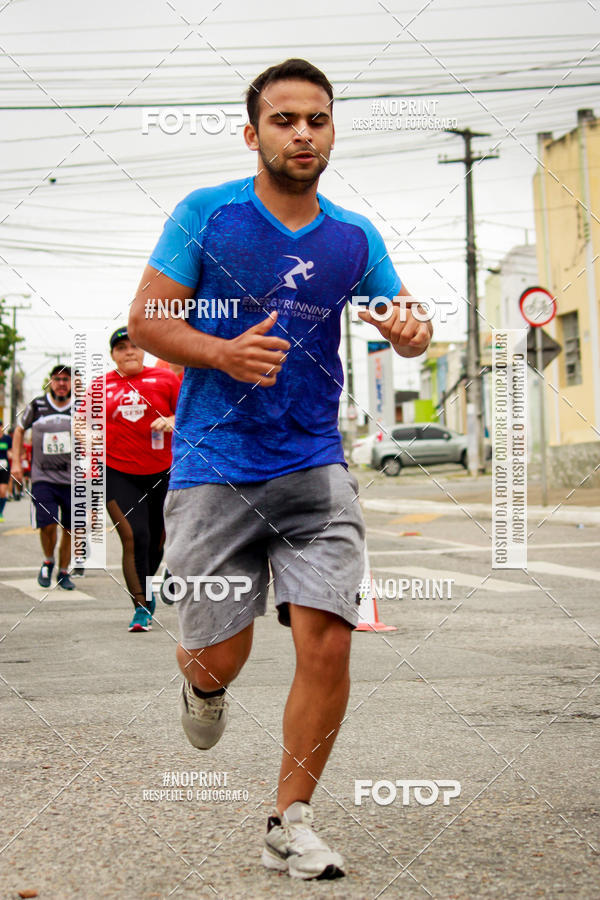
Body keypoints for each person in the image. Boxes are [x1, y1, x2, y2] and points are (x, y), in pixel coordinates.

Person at [129, 58, 432, 879]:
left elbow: (402, 316)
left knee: (327, 642)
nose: (303, 133)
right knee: (215, 655)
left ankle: (289, 820)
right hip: (215, 464)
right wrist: (221, 353)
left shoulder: (351, 237)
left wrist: (409, 332)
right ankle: (201, 685)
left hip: (313, 466)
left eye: (318, 120)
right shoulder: (207, 215)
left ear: (331, 131)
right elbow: (149, 321)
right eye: (285, 120)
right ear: (254, 131)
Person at [103, 326, 180, 632]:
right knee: (134, 537)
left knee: (156, 539)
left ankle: (148, 585)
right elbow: (81, 422)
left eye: (134, 346)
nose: (129, 351)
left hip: (163, 471)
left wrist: (174, 420)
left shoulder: (165, 379)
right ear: (113, 355)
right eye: (121, 348)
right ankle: (140, 605)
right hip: (117, 472)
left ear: (143, 350)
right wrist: (87, 433)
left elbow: (188, 413)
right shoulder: (100, 386)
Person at [11, 365, 75, 590]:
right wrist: (17, 463)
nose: (61, 383)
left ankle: (64, 571)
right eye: (57, 379)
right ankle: (48, 561)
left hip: (72, 479)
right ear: (50, 382)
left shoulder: (79, 407)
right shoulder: (37, 406)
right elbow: (18, 430)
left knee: (70, 528)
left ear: (72, 383)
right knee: (47, 524)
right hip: (43, 477)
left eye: (66, 379)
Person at [0, 420, 12, 521]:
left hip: (4, 467)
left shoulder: (7, 439)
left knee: (3, 492)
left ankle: (0, 513)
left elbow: (11, 451)